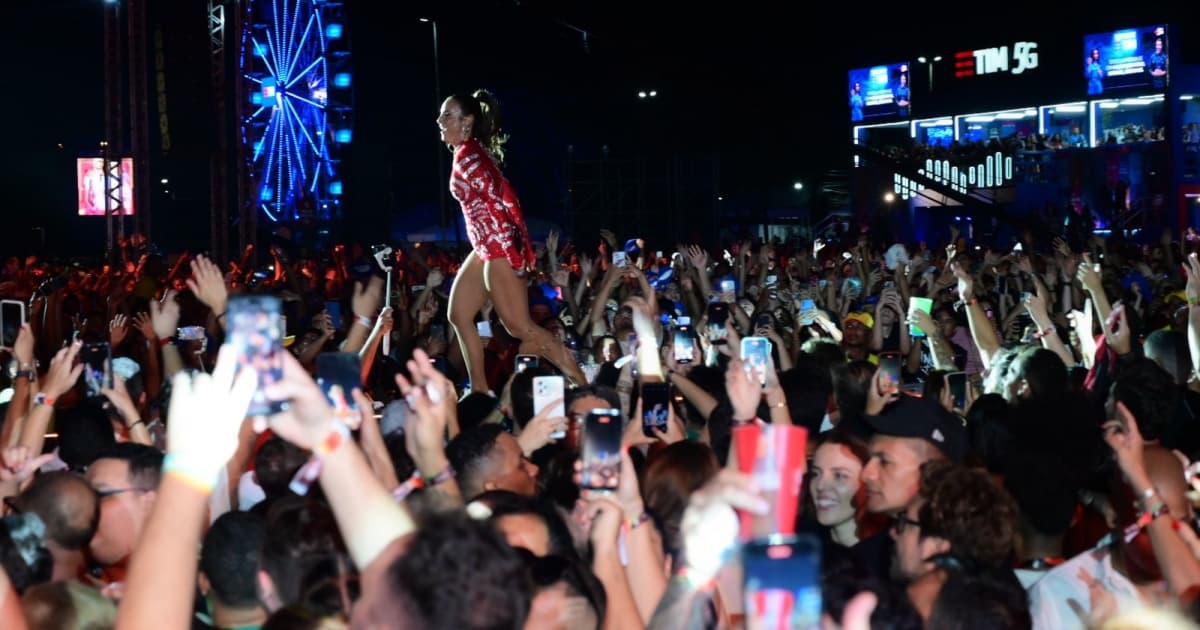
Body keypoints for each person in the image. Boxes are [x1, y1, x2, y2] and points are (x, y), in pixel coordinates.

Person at [437, 90, 585, 393]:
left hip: (497, 249)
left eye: (448, 115)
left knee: (520, 327)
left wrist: (518, 255)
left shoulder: (469, 156)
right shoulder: (468, 151)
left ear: (467, 121)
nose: (440, 120)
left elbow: (506, 201)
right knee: (459, 314)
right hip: (484, 248)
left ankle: (582, 383)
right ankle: (479, 390)